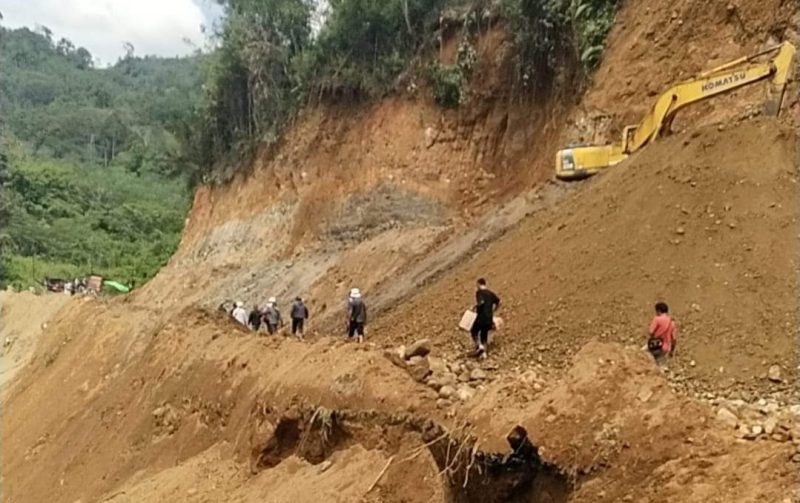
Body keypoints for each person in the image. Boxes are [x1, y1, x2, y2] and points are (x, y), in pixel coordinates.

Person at [471, 278, 500, 359]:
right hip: (489, 318)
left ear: (479, 284)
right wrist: (494, 310)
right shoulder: (491, 293)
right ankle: (484, 354)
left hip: (481, 317)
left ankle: (480, 346)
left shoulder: (479, 292)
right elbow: (499, 302)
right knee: (484, 334)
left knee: (474, 331)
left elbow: (481, 302)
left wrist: (475, 307)